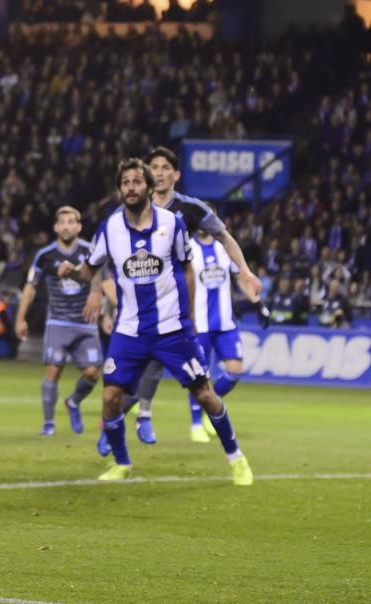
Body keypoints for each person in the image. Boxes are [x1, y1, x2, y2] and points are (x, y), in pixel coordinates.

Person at [58, 158, 253, 486]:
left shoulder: (172, 223)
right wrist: (73, 272)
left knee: (204, 393)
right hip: (130, 330)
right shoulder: (110, 228)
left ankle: (237, 459)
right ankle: (122, 463)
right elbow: (89, 272)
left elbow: (188, 269)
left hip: (172, 329)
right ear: (120, 189)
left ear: (148, 187)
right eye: (125, 183)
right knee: (110, 397)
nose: (131, 188)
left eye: (137, 182)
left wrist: (188, 317)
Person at [127, 147, 263, 444]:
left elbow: (225, 238)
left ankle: (150, 418)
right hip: (140, 300)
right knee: (128, 378)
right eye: (154, 167)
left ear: (176, 175)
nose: (159, 172)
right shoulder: (133, 208)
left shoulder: (192, 209)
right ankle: (116, 423)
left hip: (177, 306)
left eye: (166, 168)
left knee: (180, 372)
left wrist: (245, 271)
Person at [15, 207, 102, 436]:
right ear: (56, 227)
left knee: (93, 372)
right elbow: (30, 288)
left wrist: (105, 307)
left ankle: (73, 401)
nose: (66, 226)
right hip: (58, 321)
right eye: (62, 222)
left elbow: (102, 278)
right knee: (54, 370)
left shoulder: (90, 251)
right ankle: (49, 424)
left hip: (85, 321)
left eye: (71, 222)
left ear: (79, 227)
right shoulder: (45, 255)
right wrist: (20, 318)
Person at [187, 230, 270, 443]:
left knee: (235, 370)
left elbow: (239, 277)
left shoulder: (224, 248)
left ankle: (209, 407)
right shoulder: (188, 247)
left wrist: (257, 303)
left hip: (225, 323)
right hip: (200, 325)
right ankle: (196, 425)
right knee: (199, 377)